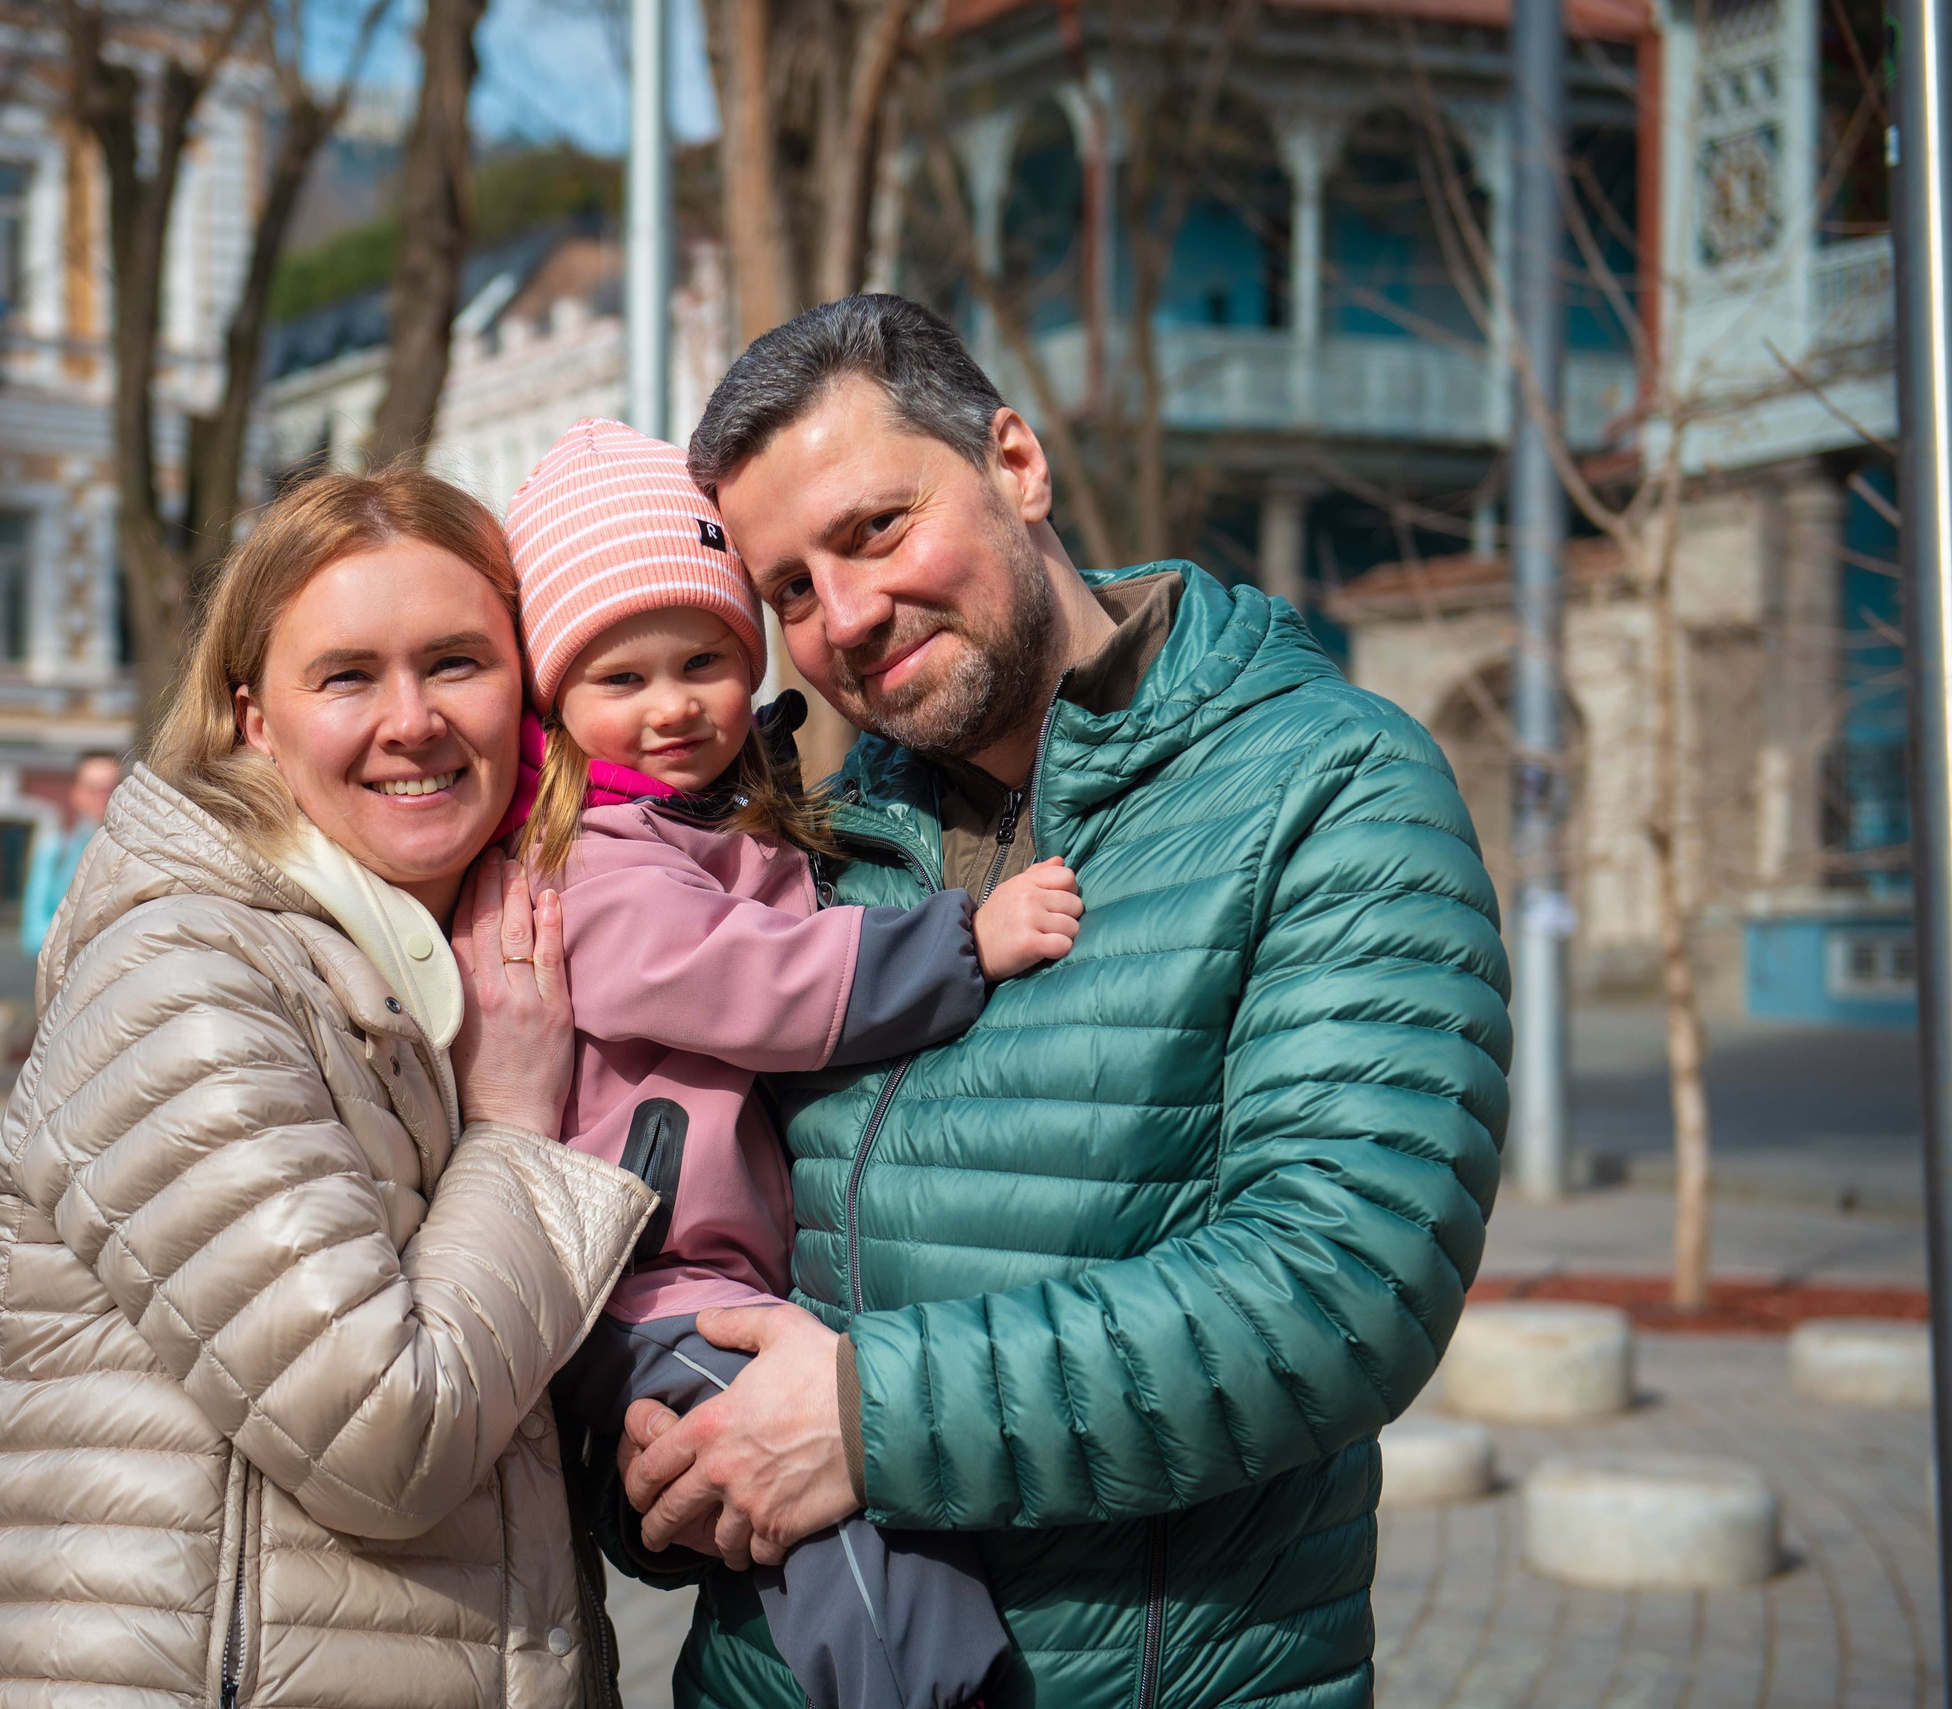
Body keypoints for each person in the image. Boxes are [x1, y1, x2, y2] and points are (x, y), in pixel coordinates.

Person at [611, 296, 1512, 1709]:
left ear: (1018, 465)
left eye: (877, 529)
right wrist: (655, 1449)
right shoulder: (807, 851)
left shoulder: (1327, 786)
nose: (844, 618)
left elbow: (1345, 1285)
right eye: (789, 590)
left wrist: (864, 1417)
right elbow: (692, 1216)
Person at [0, 468, 658, 1709]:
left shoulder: (426, 965)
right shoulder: (186, 976)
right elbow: (390, 1436)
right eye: (346, 676)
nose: (414, 718)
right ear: (252, 717)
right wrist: (512, 1126)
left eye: (456, 662)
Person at [502, 420, 1084, 1709]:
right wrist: (961, 945)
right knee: (829, 1516)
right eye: (620, 678)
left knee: (826, 1472)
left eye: (704, 659)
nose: (671, 705)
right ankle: (934, 1694)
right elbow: (756, 983)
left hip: (715, 1269)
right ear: (556, 705)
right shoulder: (598, 866)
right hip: (650, 1284)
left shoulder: (727, 825)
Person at [16, 750, 123, 958]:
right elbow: (33, 933)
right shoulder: (55, 850)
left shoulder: (143, 850)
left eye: (110, 789)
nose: (103, 798)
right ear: (77, 793)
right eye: (94, 789)